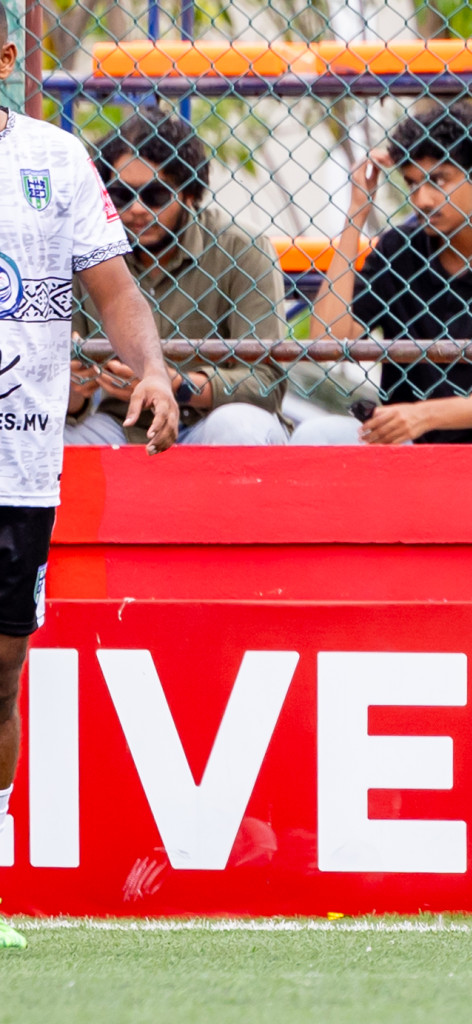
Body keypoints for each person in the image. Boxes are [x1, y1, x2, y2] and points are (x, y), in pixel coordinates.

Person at [0, 25, 178, 949]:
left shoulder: (53, 159)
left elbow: (114, 292)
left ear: (4, 59)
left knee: (0, 669)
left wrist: (147, 368)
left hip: (18, 457)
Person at [296, 100, 472, 445]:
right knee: (315, 436)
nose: (422, 199)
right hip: (408, 441)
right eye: (412, 184)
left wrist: (423, 414)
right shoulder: (398, 251)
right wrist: (355, 216)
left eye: (438, 181)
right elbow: (326, 343)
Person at [70, 107, 289, 445]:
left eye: (155, 196)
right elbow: (70, 406)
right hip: (121, 425)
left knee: (239, 427)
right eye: (121, 195)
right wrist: (74, 386)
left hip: (207, 423)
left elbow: (266, 382)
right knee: (46, 439)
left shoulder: (241, 249)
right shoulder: (88, 252)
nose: (137, 210)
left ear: (189, 193)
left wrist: (175, 384)